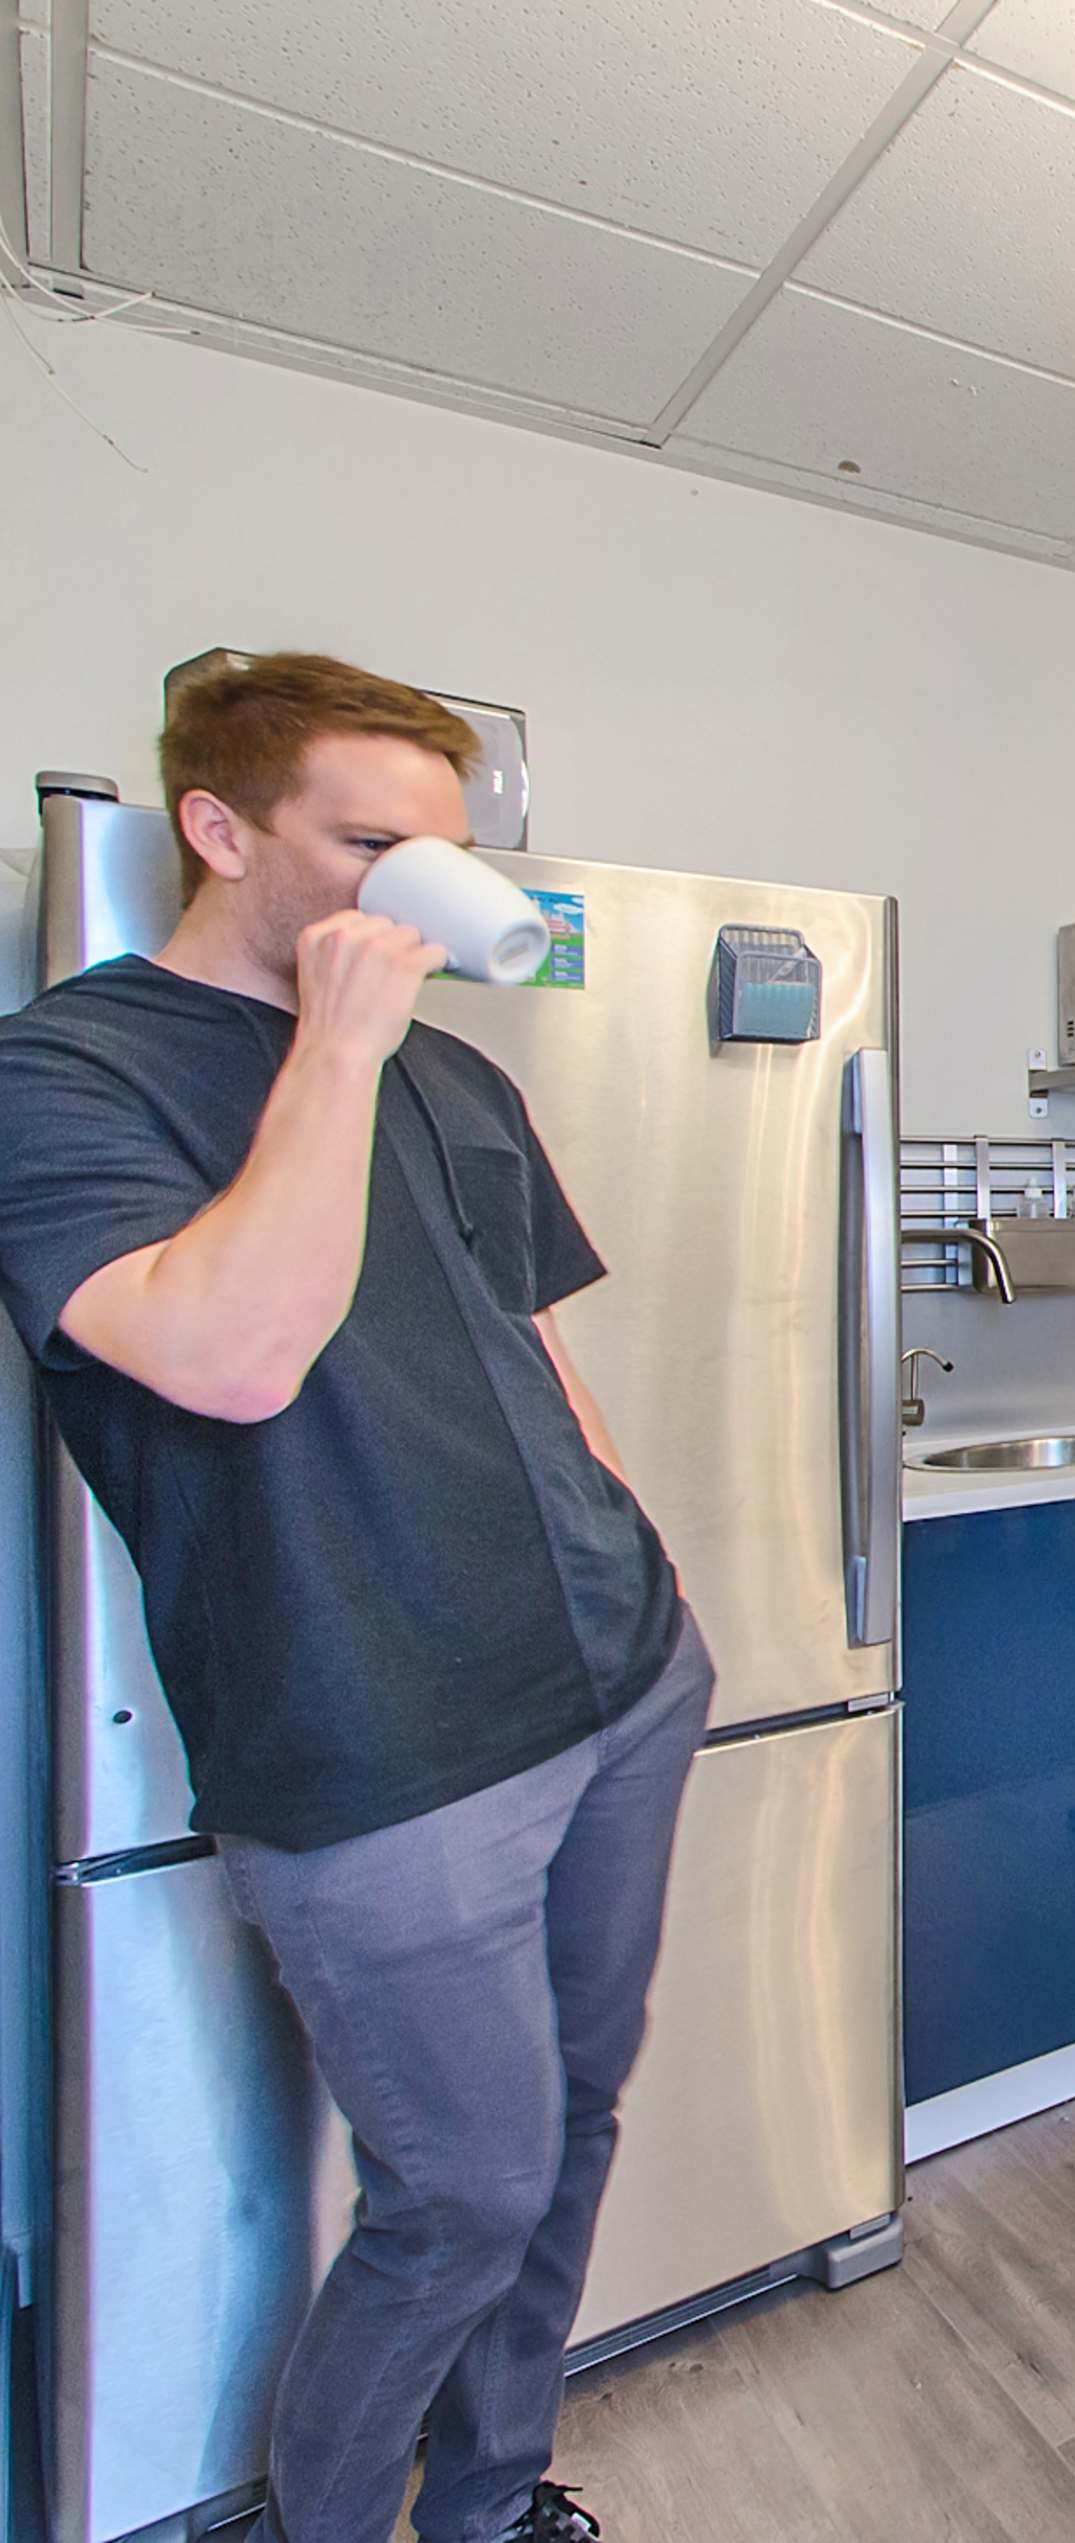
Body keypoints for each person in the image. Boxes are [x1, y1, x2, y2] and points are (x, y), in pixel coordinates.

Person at [0, 655, 703, 2543]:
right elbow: (227, 1357)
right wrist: (330, 1044)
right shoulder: (66, 1070)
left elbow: (532, 1344)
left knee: (570, 2135)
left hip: (616, 1684)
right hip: (375, 1743)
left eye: (446, 853)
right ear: (219, 833)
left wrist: (644, 1560)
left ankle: (485, 2505)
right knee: (458, 2193)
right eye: (372, 844)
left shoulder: (461, 1073)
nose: (422, 887)